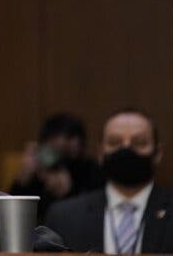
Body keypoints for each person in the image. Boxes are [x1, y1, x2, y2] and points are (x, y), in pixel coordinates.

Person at [45, 108, 173, 253]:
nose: (126, 149)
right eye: (115, 142)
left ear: (158, 153)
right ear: (100, 153)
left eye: (139, 143)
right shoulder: (64, 216)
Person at [11, 112, 103, 221]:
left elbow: (96, 211)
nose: (62, 143)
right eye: (55, 137)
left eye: (69, 137)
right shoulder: (37, 169)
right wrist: (22, 179)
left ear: (81, 142)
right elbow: (13, 214)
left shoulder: (92, 170)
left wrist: (68, 192)